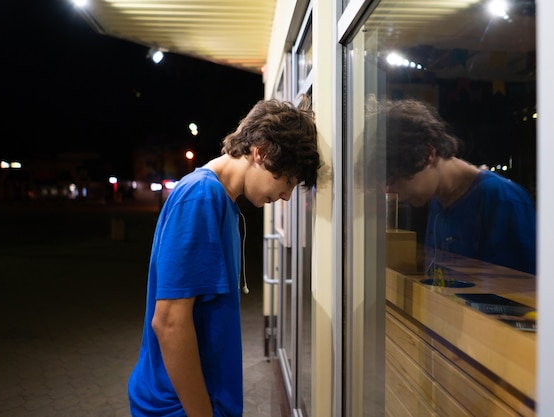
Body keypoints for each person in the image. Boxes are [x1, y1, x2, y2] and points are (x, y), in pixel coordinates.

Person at [127, 96, 321, 417]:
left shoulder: (222, 201)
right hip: (179, 407)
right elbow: (170, 322)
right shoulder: (201, 197)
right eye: (287, 180)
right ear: (260, 151)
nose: (287, 195)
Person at [369, 97, 536, 274]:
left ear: (428, 154)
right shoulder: (437, 201)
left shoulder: (503, 199)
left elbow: (525, 289)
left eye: (396, 181)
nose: (399, 196)